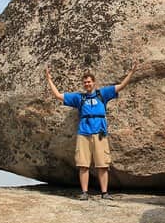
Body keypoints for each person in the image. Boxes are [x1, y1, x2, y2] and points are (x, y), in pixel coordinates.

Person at [45, 65, 135, 200]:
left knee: (102, 165)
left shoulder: (102, 94)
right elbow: (58, 95)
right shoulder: (79, 98)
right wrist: (49, 79)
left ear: (94, 83)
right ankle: (84, 193)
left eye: (89, 82)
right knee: (83, 165)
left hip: (100, 133)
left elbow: (121, 86)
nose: (87, 84)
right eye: (85, 82)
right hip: (84, 133)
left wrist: (132, 72)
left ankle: (104, 193)